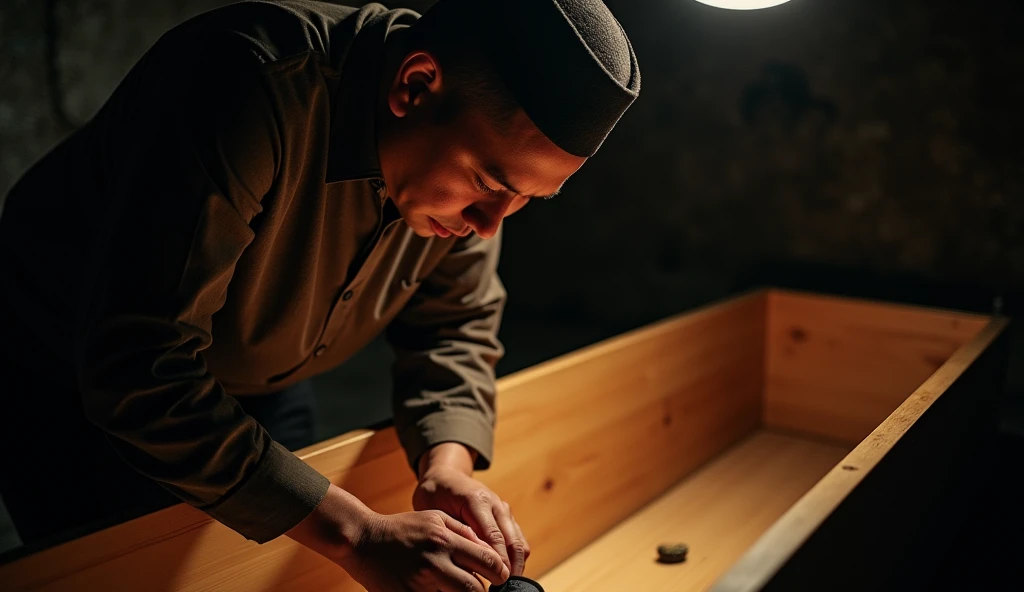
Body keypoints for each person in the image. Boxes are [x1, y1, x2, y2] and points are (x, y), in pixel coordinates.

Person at [0, 0, 639, 589]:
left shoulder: (471, 180)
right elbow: (139, 365)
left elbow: (456, 324)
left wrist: (447, 466)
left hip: (266, 381)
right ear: (414, 86)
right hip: (73, 380)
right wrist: (357, 530)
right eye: (488, 183)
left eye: (529, 198)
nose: (491, 225)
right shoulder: (247, 87)